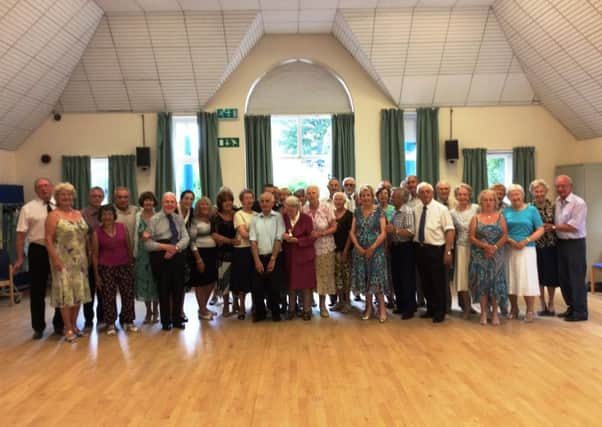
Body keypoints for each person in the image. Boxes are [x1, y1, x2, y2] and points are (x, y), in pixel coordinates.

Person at [14, 177, 64, 339]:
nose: (44, 189)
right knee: (37, 290)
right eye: (40, 187)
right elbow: (20, 236)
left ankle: (60, 324)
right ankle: (38, 327)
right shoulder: (28, 208)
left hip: (58, 250)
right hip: (38, 250)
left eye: (46, 186)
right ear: (36, 190)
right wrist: (20, 258)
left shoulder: (61, 206)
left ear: (52, 188)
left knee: (60, 288)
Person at [45, 182, 91, 342]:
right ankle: (68, 328)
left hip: (80, 260)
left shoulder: (78, 213)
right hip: (62, 260)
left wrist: (88, 255)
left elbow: (84, 236)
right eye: (63, 194)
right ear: (57, 197)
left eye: (69, 194)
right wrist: (55, 259)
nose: (66, 197)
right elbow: (48, 239)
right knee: (66, 295)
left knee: (78, 293)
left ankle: (74, 325)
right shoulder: (53, 215)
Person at [145, 192, 190, 331]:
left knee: (178, 289)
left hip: (177, 255)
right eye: (166, 201)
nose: (169, 204)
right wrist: (165, 247)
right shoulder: (154, 219)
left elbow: (186, 238)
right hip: (160, 256)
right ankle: (165, 322)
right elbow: (147, 244)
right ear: (162, 203)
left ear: (175, 203)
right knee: (163, 290)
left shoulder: (178, 219)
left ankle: (177, 320)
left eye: (172, 201)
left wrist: (175, 248)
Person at [91, 204, 137, 335]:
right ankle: (110, 323)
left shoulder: (122, 228)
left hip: (124, 266)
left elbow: (128, 247)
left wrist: (130, 265)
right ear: (100, 216)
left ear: (114, 215)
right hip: (106, 268)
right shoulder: (96, 232)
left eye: (110, 214)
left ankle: (128, 321)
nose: (107, 217)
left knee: (128, 295)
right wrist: (96, 275)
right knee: (108, 297)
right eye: (104, 214)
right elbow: (94, 255)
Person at [413, 182, 455, 323]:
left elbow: (449, 230)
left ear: (432, 193)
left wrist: (448, 252)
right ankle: (430, 309)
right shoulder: (416, 209)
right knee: (425, 282)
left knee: (438, 282)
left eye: (427, 192)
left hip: (436, 249)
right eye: (422, 192)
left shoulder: (441, 209)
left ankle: (440, 311)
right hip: (420, 249)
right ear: (418, 194)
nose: (425, 194)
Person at [504, 184, 544, 322]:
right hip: (509, 248)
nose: (515, 197)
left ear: (522, 195)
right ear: (508, 197)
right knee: (511, 278)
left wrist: (526, 240)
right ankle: (514, 308)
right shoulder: (505, 211)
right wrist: (509, 240)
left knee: (528, 279)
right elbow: (501, 230)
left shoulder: (532, 210)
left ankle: (530, 310)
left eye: (517, 194)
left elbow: (540, 229)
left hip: (527, 249)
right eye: (512, 195)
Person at [350, 185, 389, 322]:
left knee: (376, 279)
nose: (366, 198)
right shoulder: (356, 212)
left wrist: (372, 247)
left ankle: (382, 309)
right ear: (360, 198)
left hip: (376, 251)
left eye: (368, 195)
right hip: (360, 251)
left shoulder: (379, 211)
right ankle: (368, 307)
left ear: (372, 197)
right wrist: (358, 246)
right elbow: (352, 232)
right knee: (365, 279)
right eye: (363, 195)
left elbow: (383, 232)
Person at [469, 189, 508, 326]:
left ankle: (496, 313)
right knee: (482, 284)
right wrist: (484, 247)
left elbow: (505, 236)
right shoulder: (476, 218)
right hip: (479, 255)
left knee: (495, 284)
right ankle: (484, 313)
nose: (488, 202)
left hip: (497, 256)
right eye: (485, 200)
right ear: (481, 202)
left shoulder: (500, 217)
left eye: (491, 200)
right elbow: (471, 237)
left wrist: (494, 248)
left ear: (495, 202)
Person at [554, 175, 588, 322]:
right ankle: (571, 307)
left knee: (576, 278)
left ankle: (580, 312)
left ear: (570, 186)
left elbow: (574, 227)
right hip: (561, 243)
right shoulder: (557, 201)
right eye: (558, 186)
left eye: (563, 186)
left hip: (575, 244)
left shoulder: (578, 203)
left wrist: (553, 227)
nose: (560, 189)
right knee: (564, 278)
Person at [249, 192, 286, 322]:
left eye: (267, 201)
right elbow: (252, 240)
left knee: (274, 287)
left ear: (272, 202)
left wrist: (273, 259)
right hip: (258, 256)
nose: (264, 203)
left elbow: (279, 238)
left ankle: (275, 312)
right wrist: (257, 260)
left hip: (275, 256)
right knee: (257, 287)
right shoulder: (255, 219)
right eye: (262, 201)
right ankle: (260, 313)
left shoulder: (278, 217)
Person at [303, 185, 337, 318]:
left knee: (324, 277)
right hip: (308, 249)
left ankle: (323, 305)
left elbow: (334, 226)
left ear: (318, 194)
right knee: (310, 277)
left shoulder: (326, 207)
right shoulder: (303, 209)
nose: (311, 195)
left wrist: (323, 233)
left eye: (314, 193)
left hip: (325, 248)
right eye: (309, 193)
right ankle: (309, 305)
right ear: (306, 196)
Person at [282, 195, 316, 321]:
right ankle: (291, 309)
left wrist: (298, 240)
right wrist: (283, 236)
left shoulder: (306, 219)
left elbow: (312, 238)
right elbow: (280, 233)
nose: (288, 211)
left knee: (306, 285)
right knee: (291, 284)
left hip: (304, 255)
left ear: (297, 207)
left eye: (291, 208)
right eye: (287, 208)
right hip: (289, 256)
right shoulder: (283, 218)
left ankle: (307, 310)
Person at [529, 179, 559, 316]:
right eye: (536, 191)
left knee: (551, 276)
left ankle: (551, 302)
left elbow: (559, 223)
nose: (539, 193)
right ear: (532, 193)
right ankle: (542, 303)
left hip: (551, 245)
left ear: (546, 192)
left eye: (541, 191)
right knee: (539, 276)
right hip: (535, 246)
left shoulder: (554, 206)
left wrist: (551, 227)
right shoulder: (529, 207)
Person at [449, 184, 479, 318]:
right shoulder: (452, 213)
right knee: (463, 279)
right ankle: (467, 308)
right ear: (456, 196)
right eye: (460, 194)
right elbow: (451, 232)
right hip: (461, 248)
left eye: (465, 194)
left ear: (469, 195)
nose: (462, 197)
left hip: (477, 247)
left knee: (478, 278)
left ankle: (483, 307)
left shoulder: (477, 208)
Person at [386, 187, 416, 319]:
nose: (391, 198)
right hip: (396, 248)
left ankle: (409, 308)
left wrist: (395, 230)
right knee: (397, 278)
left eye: (393, 196)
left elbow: (410, 232)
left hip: (405, 248)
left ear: (401, 198)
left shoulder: (407, 211)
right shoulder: (395, 211)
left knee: (406, 279)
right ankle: (401, 305)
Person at [189, 197, 218, 321]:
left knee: (211, 281)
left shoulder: (211, 219)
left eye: (207, 204)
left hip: (212, 253)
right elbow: (192, 241)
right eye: (202, 205)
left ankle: (203, 307)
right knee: (201, 283)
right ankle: (202, 310)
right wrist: (198, 259)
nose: (205, 207)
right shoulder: (194, 221)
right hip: (200, 254)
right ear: (198, 207)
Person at [211, 188, 239, 317]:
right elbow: (214, 235)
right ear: (220, 203)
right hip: (222, 254)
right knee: (225, 281)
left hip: (238, 252)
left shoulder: (237, 214)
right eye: (225, 201)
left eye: (230, 200)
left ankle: (236, 303)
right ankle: (226, 306)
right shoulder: (215, 216)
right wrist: (230, 241)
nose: (228, 203)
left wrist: (232, 242)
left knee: (236, 279)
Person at [80, 186, 105, 328]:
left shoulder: (107, 213)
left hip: (105, 256)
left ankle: (102, 317)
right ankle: (88, 319)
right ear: (89, 197)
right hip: (87, 256)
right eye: (94, 196)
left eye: (99, 196)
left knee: (103, 289)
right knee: (88, 290)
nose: (97, 198)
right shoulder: (81, 214)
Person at [133, 191, 159, 324]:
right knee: (144, 283)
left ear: (154, 202)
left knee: (155, 282)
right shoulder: (137, 216)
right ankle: (148, 311)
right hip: (142, 255)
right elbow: (134, 235)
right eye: (146, 200)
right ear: (142, 202)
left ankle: (156, 311)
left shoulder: (158, 216)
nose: (148, 203)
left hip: (155, 254)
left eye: (150, 200)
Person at [232, 189, 258, 320]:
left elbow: (252, 233)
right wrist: (256, 235)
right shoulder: (238, 214)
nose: (249, 200)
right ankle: (241, 307)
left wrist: (252, 233)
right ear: (241, 201)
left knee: (255, 279)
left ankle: (254, 306)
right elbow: (243, 234)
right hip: (242, 250)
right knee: (242, 280)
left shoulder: (257, 214)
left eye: (251, 198)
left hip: (255, 250)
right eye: (246, 198)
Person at [331, 192, 353, 313]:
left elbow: (351, 234)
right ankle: (340, 301)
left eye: (340, 199)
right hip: (333, 250)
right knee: (337, 277)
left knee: (346, 277)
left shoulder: (350, 215)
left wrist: (345, 250)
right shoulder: (331, 214)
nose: (338, 201)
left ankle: (348, 301)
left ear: (344, 201)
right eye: (336, 199)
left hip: (345, 250)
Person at [177, 190, 195, 323]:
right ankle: (172, 311)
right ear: (181, 199)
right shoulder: (173, 211)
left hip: (186, 251)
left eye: (191, 199)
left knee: (183, 283)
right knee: (172, 284)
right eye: (186, 198)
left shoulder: (192, 212)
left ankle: (180, 311)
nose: (188, 201)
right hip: (172, 250)